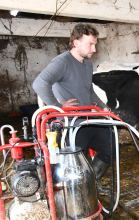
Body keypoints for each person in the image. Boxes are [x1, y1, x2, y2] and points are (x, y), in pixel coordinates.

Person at [32, 23, 112, 195]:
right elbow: (39, 83)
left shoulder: (88, 65)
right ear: (76, 42)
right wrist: (58, 107)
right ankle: (78, 194)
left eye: (95, 44)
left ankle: (92, 181)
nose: (94, 49)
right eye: (90, 44)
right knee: (77, 160)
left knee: (111, 145)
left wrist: (105, 109)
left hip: (87, 119)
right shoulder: (62, 62)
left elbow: (89, 92)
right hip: (70, 124)